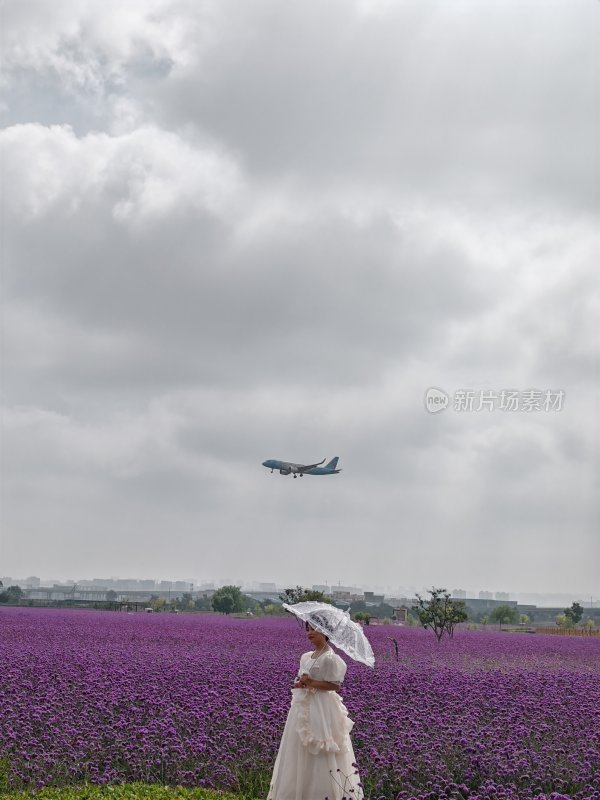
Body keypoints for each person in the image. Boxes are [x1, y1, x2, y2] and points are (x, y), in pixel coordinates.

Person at [267, 622, 363, 800]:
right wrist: (301, 683)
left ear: (325, 632)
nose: (309, 632)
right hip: (302, 707)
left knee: (320, 749)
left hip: (322, 708)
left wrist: (310, 682)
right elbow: (302, 680)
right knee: (297, 748)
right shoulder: (306, 657)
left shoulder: (330, 658)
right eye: (308, 629)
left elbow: (334, 685)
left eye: (314, 629)